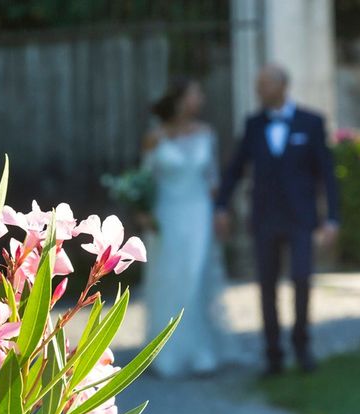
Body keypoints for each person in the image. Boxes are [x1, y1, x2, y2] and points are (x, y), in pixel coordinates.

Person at [215, 64, 340, 376]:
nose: (259, 90)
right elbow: (236, 169)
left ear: (283, 86)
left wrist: (332, 218)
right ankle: (273, 352)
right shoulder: (254, 124)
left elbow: (326, 174)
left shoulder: (311, 122)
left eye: (264, 84)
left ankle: (302, 345)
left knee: (301, 279)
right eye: (258, 85)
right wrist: (221, 206)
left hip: (301, 219)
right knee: (267, 286)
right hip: (265, 218)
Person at [142, 76, 239, 378]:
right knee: (169, 280)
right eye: (197, 93)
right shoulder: (155, 138)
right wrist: (143, 212)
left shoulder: (206, 134)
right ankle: (166, 351)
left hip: (199, 213)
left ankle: (200, 351)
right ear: (181, 99)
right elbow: (144, 180)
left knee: (196, 279)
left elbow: (212, 179)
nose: (201, 100)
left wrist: (220, 212)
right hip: (166, 217)